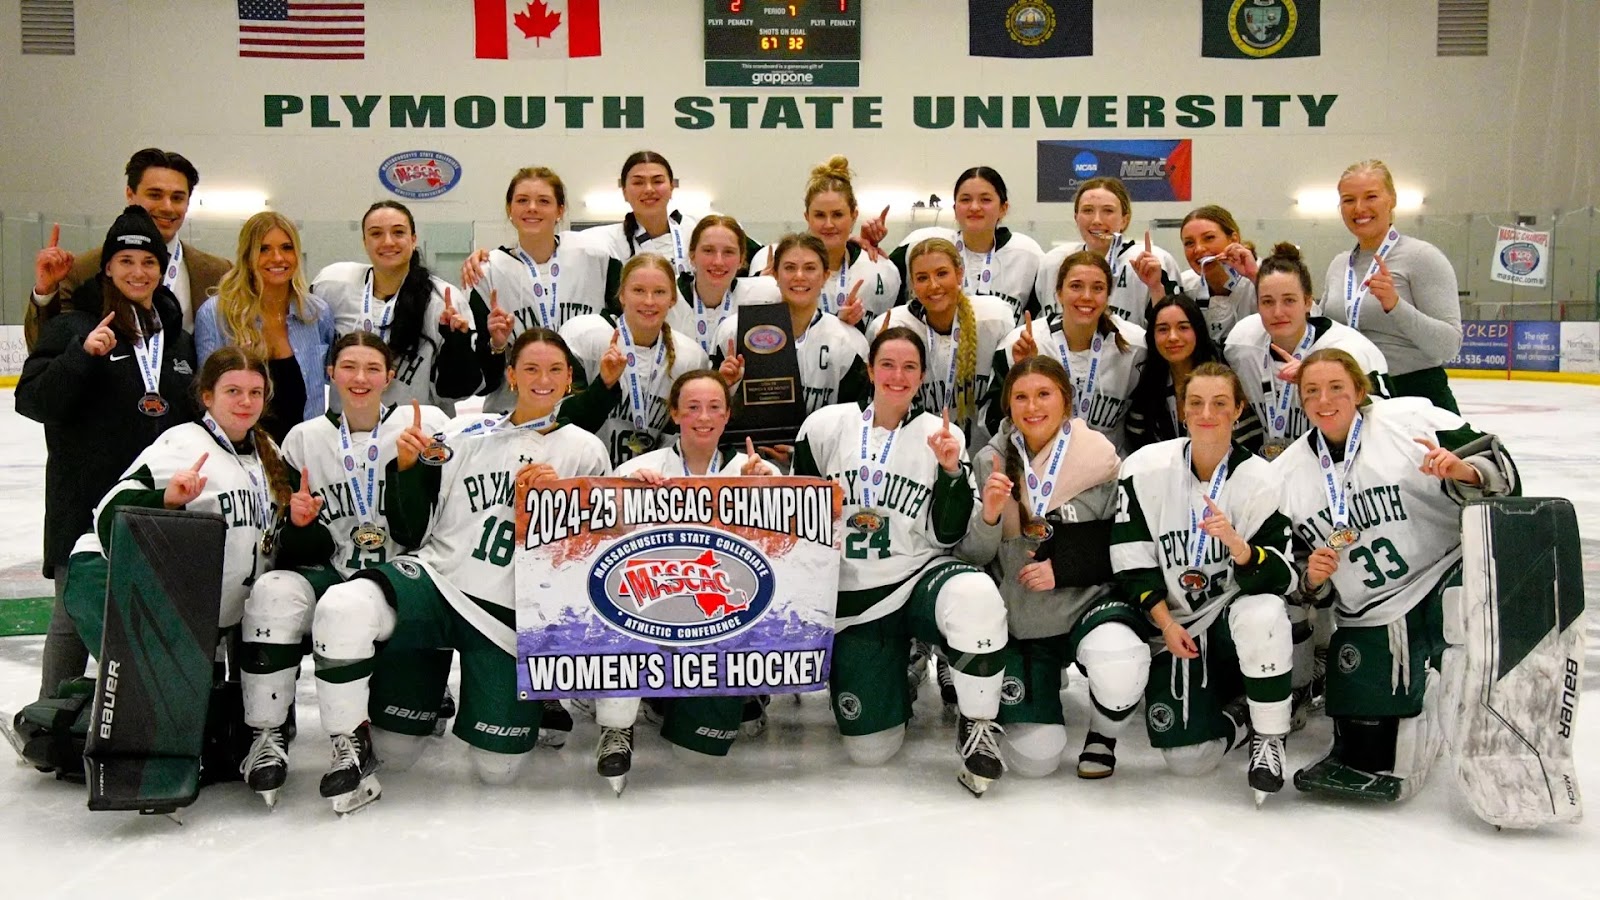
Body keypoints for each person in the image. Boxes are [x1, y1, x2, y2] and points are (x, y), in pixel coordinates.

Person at [307, 328, 611, 812]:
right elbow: (408, 530)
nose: (542, 379)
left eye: (555, 369)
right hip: (439, 580)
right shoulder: (463, 434)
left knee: (500, 770)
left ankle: (489, 703)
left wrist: (560, 503)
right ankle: (351, 746)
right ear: (510, 374)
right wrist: (408, 469)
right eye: (529, 368)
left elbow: (588, 558)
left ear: (571, 379)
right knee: (345, 610)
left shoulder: (585, 450)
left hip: (507, 610)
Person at [1273, 348, 1517, 801]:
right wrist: (1312, 578)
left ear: (1359, 391)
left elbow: (1501, 472)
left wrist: (1462, 470)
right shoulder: (1284, 477)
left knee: (1459, 619)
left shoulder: (1410, 419)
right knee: (1366, 747)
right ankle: (1416, 703)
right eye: (1312, 392)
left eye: (1336, 388)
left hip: (1446, 568)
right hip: (1370, 609)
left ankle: (1477, 706)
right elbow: (1296, 576)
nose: (1324, 400)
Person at [791, 327, 1010, 796]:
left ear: (922, 376)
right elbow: (797, 518)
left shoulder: (939, 433)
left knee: (975, 594)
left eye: (909, 367)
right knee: (869, 750)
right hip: (850, 590)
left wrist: (952, 471)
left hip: (916, 575)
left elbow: (950, 534)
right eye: (887, 365)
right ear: (870, 370)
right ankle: (903, 663)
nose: (897, 375)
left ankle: (979, 725)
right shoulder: (825, 426)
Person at [234, 332, 450, 806]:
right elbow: (295, 549)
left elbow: (417, 533)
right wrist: (301, 524)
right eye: (348, 366)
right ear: (330, 372)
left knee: (403, 752)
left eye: (373, 368)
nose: (360, 378)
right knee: (272, 592)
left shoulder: (423, 425)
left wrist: (410, 471)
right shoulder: (304, 438)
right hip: (331, 571)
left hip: (399, 577)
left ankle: (390, 717)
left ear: (389, 376)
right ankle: (272, 737)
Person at [17, 205, 199, 701]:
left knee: (154, 617)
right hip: (83, 500)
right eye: (126, 262)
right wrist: (82, 356)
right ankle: (51, 720)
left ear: (162, 270)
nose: (138, 273)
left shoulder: (177, 341)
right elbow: (32, 401)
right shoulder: (73, 327)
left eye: (149, 264)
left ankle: (145, 719)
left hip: (156, 502)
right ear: (107, 270)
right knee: (73, 616)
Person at [1110, 362, 1297, 805]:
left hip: (1230, 622)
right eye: (1196, 403)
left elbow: (1283, 578)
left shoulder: (1263, 480)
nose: (1206, 413)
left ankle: (1270, 736)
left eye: (1219, 403)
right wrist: (1164, 622)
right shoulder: (1144, 469)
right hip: (1174, 628)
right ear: (1183, 410)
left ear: (1238, 410)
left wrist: (1239, 547)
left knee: (1263, 612)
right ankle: (1240, 716)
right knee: (1188, 759)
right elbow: (1131, 559)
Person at [958, 356, 1150, 778]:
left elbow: (1126, 543)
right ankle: (1022, 692)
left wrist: (1063, 567)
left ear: (1066, 400)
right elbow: (970, 557)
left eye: (1044, 394)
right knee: (1036, 761)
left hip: (1086, 605)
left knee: (1119, 666)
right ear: (1008, 405)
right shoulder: (989, 460)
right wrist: (989, 517)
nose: (1032, 407)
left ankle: (1103, 733)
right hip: (1023, 621)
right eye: (1021, 397)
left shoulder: (1102, 459)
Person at [590, 370, 778, 791]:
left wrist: (767, 496)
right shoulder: (640, 468)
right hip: (655, 609)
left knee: (697, 755)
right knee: (617, 613)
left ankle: (739, 690)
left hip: (720, 618)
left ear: (728, 415)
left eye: (714, 407)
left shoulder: (754, 469)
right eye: (692, 407)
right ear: (674, 413)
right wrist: (623, 495)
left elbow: (791, 557)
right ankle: (617, 722)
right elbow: (596, 548)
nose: (703, 417)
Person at [61, 347, 290, 667]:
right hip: (131, 594)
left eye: (255, 392)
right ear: (207, 396)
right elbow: (109, 512)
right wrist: (165, 499)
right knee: (140, 703)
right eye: (233, 391)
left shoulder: (270, 453)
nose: (246, 401)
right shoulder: (185, 443)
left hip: (206, 615)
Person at [27, 147, 231, 345]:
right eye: (155, 195)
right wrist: (45, 292)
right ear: (130, 194)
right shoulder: (82, 270)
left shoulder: (218, 273)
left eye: (177, 198)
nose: (167, 207)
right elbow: (45, 350)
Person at [457, 167, 618, 412]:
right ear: (510, 209)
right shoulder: (486, 272)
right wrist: (497, 345)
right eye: (522, 200)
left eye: (544, 201)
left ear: (560, 210)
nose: (532, 208)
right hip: (513, 409)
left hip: (585, 407)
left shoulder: (596, 258)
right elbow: (481, 378)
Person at [311, 201, 480, 414]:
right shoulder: (333, 287)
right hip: (345, 432)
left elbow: (459, 389)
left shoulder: (443, 300)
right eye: (376, 234)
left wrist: (457, 344)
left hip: (416, 433)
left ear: (413, 239)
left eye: (398, 232)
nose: (388, 242)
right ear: (364, 242)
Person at [1225, 242, 1389, 460]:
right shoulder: (1241, 345)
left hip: (1334, 469)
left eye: (1289, 300)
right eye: (1267, 302)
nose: (1278, 312)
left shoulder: (1351, 350)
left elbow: (1383, 420)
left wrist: (1322, 381)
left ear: (1308, 302)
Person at [1323, 159, 1463, 413]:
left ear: (1392, 200)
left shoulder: (1422, 257)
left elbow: (1449, 346)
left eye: (1371, 197)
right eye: (1349, 200)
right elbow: (1322, 329)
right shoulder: (1339, 265)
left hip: (1415, 394)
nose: (1359, 208)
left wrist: (1395, 306)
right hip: (1354, 399)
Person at [713, 234, 870, 454]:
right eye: (789, 268)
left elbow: (854, 420)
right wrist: (724, 385)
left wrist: (804, 455)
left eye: (809, 268)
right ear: (775, 274)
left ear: (825, 275)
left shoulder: (849, 342)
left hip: (817, 466)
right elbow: (711, 410)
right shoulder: (734, 330)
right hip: (744, 462)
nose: (799, 276)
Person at [195, 212, 335, 443]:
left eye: (287, 248)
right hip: (241, 452)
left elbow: (330, 381)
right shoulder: (216, 314)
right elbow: (205, 394)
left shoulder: (316, 313)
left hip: (304, 451)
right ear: (247, 256)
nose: (277, 258)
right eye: (264, 249)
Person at [560, 253, 710, 465]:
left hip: (653, 483)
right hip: (588, 474)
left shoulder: (690, 357)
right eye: (638, 290)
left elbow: (686, 435)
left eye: (659, 292)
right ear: (622, 295)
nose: (649, 301)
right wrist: (603, 385)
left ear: (673, 299)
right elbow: (562, 423)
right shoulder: (587, 336)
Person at [994, 251, 1146, 453]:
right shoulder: (1020, 342)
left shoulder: (1135, 346)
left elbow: (1144, 423)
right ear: (1059, 293)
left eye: (1098, 288)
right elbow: (994, 418)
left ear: (1109, 296)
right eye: (1076, 286)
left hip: (1109, 473)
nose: (1086, 296)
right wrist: (1026, 373)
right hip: (1040, 473)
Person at [869, 236, 1012, 449]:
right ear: (913, 284)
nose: (933, 285)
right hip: (914, 456)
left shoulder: (995, 318)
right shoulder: (892, 327)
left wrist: (1019, 362)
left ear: (959, 274)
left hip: (983, 455)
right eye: (922, 278)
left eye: (942, 273)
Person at [749, 156, 901, 327]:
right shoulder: (771, 260)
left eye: (837, 214)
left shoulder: (880, 269)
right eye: (820, 215)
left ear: (854, 216)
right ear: (807, 217)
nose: (829, 224)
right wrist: (760, 288)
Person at [891, 167, 1043, 322]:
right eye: (965, 200)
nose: (974, 207)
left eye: (985, 200)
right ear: (955, 209)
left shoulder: (1028, 254)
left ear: (1003, 208)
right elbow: (882, 278)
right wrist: (870, 244)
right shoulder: (922, 243)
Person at [576, 150, 759, 273]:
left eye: (657, 181)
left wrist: (761, 274)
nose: (648, 189)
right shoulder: (604, 241)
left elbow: (763, 254)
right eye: (638, 182)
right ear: (624, 192)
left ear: (672, 187)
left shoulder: (700, 228)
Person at [1034, 177, 1181, 324]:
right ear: (1076, 218)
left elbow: (1176, 327)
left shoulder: (1153, 260)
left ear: (1124, 219)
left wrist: (1156, 287)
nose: (1097, 220)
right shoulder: (1053, 262)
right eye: (1087, 210)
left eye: (1108, 210)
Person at [1123, 294, 1231, 453]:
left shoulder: (1225, 382)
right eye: (1163, 329)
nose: (1172, 337)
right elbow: (1140, 453)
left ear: (1198, 331)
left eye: (1183, 327)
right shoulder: (1147, 391)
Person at [668, 214, 780, 356]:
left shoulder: (765, 294)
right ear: (692, 255)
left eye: (728, 252)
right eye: (708, 250)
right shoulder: (668, 297)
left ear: (741, 259)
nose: (718, 262)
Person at [1176, 205, 1259, 343]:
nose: (1199, 249)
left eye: (1209, 238)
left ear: (1233, 239)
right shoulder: (1184, 287)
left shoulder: (1260, 281)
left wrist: (1256, 278)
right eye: (1189, 243)